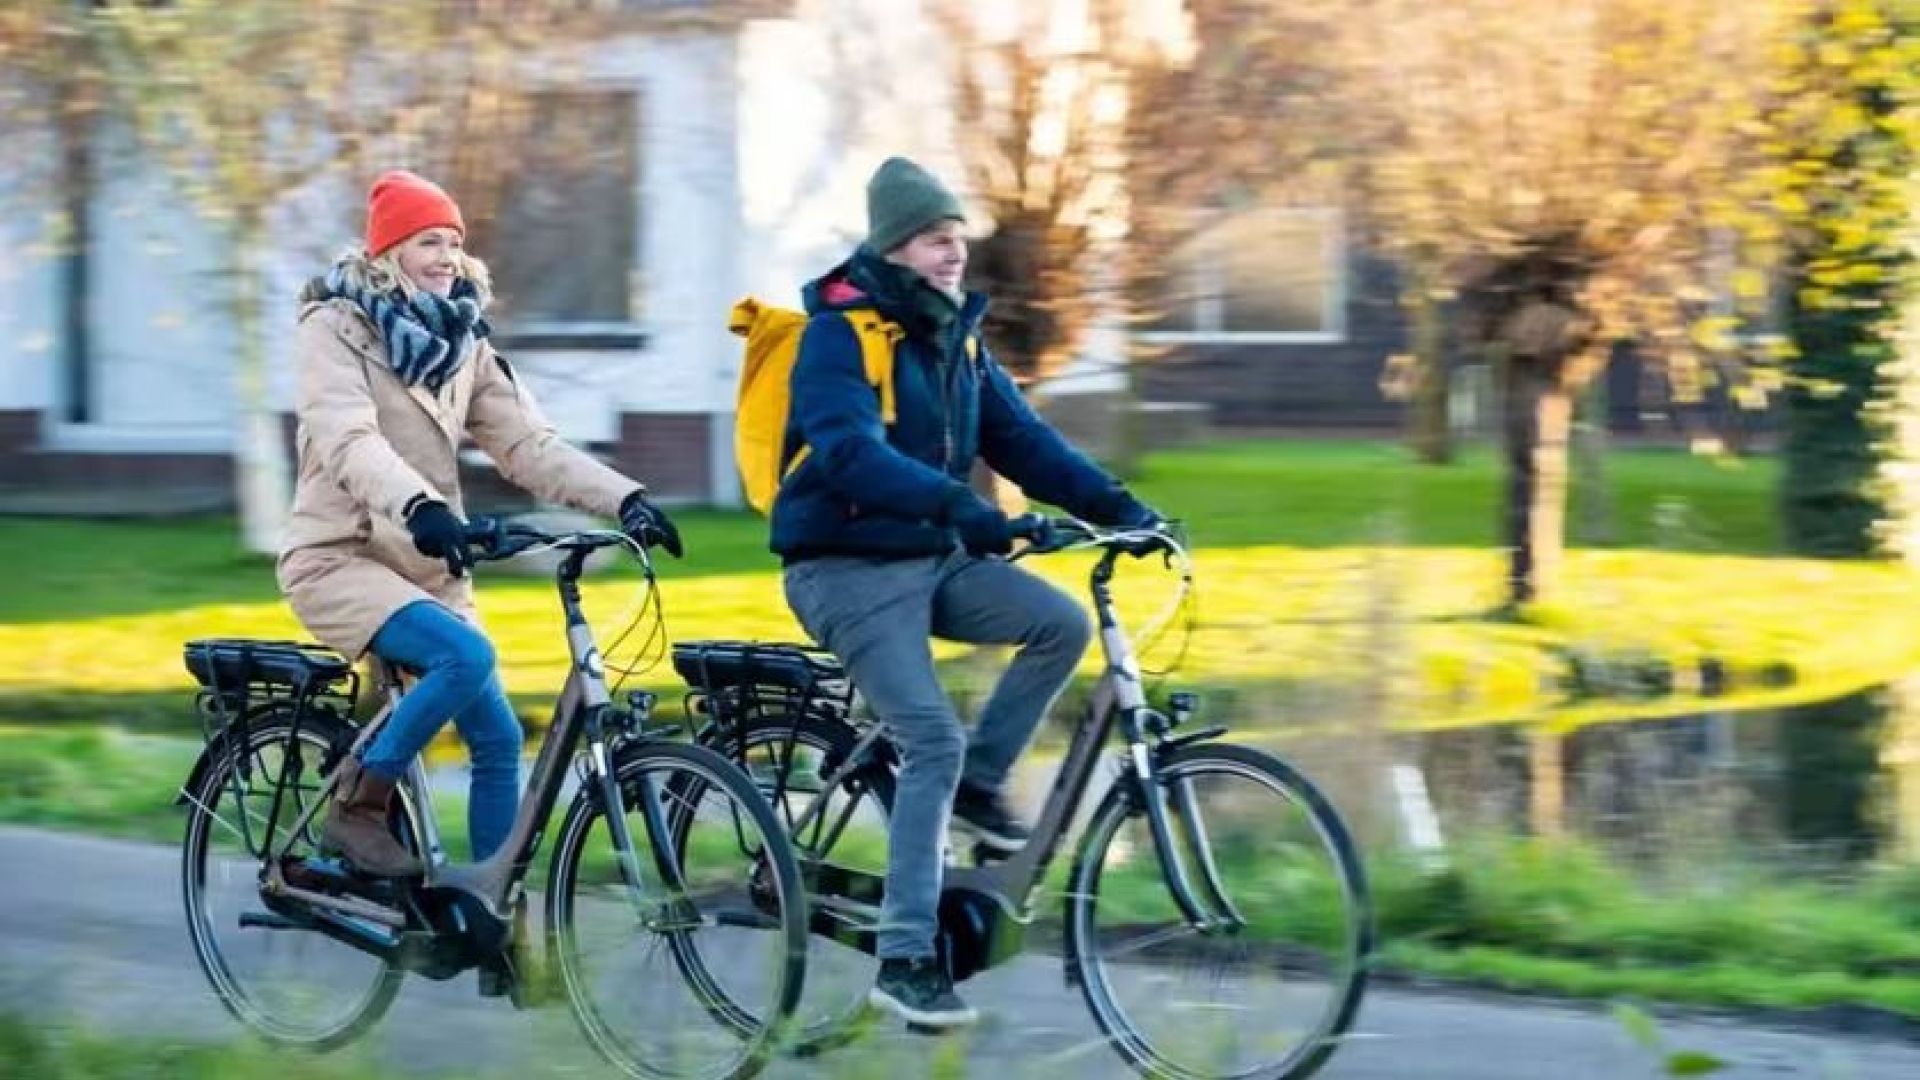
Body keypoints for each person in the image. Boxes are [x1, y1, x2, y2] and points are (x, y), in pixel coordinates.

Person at [773, 157, 1165, 1028]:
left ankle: (984, 787)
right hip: (843, 566)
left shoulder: (959, 339)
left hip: (930, 557)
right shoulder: (840, 336)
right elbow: (848, 454)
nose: (950, 253)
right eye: (930, 239)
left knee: (1057, 624)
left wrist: (1125, 510)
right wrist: (960, 506)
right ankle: (906, 959)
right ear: (893, 248)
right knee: (929, 741)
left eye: (955, 238)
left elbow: (1025, 442)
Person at [280, 170, 683, 878]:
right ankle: (358, 807)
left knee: (497, 735)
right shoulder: (334, 329)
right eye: (428, 240)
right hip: (340, 558)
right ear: (386, 253)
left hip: (426, 568)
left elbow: (528, 444)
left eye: (454, 243)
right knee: (466, 659)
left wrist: (626, 499)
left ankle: (491, 908)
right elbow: (349, 441)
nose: (446, 256)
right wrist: (422, 506)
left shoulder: (462, 341)